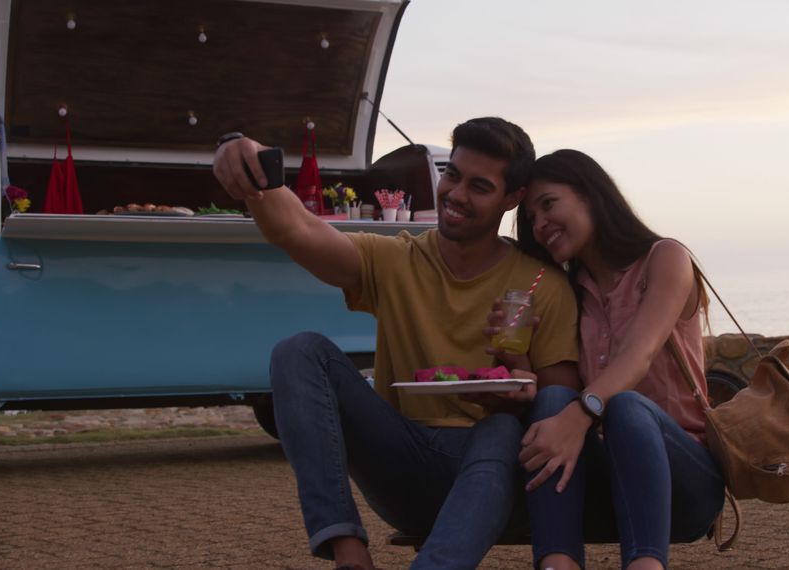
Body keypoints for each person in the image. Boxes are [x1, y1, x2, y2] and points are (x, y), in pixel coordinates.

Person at [212, 118, 580, 570]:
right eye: (453, 175)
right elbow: (298, 231)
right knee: (298, 351)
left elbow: (560, 410)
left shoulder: (543, 284)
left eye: (480, 186)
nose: (457, 194)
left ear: (512, 198)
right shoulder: (398, 258)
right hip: (404, 466)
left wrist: (519, 390)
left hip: (495, 480)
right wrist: (253, 173)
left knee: (501, 428)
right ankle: (348, 551)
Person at [502, 149, 726, 570]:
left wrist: (580, 414)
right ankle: (558, 565)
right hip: (607, 474)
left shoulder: (666, 258)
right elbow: (559, 389)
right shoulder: (570, 291)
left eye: (548, 204)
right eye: (531, 217)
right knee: (552, 402)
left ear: (590, 194)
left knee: (624, 406)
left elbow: (638, 355)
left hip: (685, 477)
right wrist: (511, 357)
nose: (540, 224)